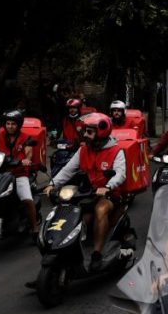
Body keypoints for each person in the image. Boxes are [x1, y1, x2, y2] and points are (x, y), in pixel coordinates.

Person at [43, 113, 126, 270]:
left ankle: (96, 254)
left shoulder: (116, 151)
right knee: (68, 211)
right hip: (87, 193)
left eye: (90, 132)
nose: (85, 135)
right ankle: (65, 253)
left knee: (100, 210)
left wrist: (108, 187)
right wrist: (52, 184)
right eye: (86, 131)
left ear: (101, 132)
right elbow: (68, 170)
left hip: (109, 195)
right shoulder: (83, 150)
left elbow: (121, 174)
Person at [0, 110, 39, 241]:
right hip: (1, 173)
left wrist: (26, 159)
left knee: (26, 199)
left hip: (19, 173)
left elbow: (28, 153)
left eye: (13, 124)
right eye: (8, 123)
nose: (10, 126)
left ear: (18, 125)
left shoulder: (26, 138)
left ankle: (35, 227)